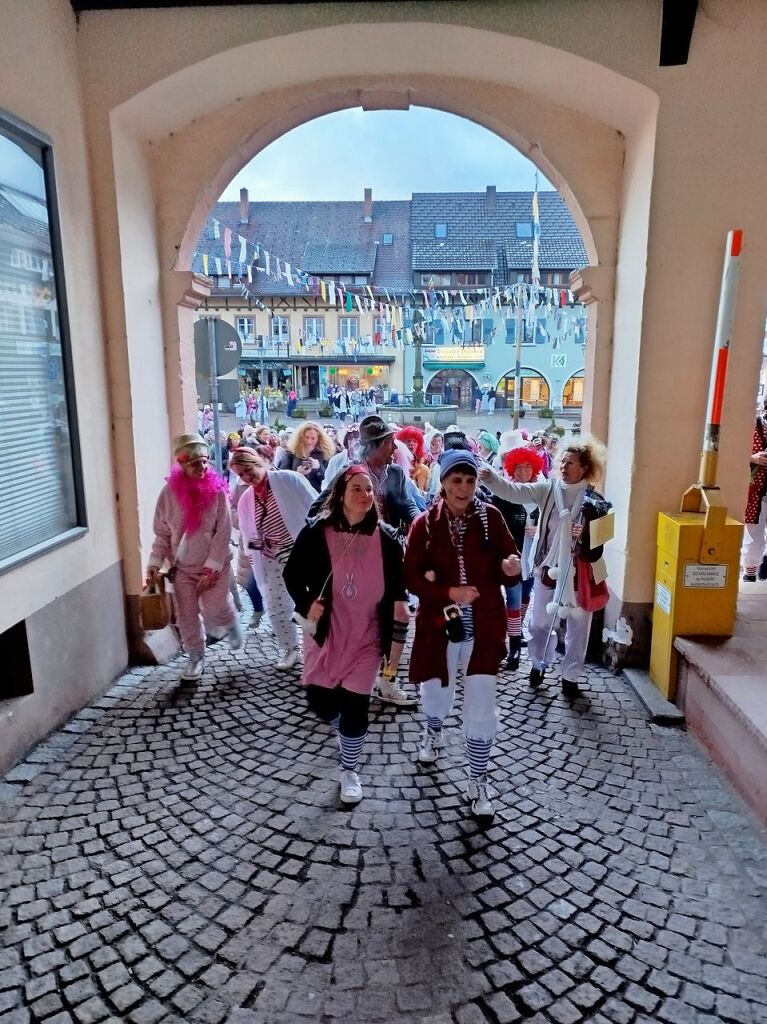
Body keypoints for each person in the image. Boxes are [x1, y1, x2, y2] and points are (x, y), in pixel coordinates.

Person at [405, 450, 521, 818]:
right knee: (437, 691)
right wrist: (447, 593)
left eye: (470, 481)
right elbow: (410, 577)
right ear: (442, 483)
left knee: (481, 705)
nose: (464, 488)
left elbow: (511, 563)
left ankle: (478, 777)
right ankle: (433, 729)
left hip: (484, 628)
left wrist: (510, 567)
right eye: (457, 480)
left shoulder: (492, 518)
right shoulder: (424, 525)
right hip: (439, 628)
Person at [284, 467, 408, 805]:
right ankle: (344, 730)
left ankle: (349, 769)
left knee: (356, 705)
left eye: (369, 490)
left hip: (366, 637)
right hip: (326, 634)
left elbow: (398, 591)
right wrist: (308, 602)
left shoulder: (386, 539)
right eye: (357, 489)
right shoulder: (316, 532)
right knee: (318, 700)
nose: (365, 496)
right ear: (340, 494)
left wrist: (394, 649)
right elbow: (291, 573)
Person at [479, 436, 610, 698]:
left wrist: (584, 534)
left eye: (570, 462)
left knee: (578, 628)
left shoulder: (596, 500)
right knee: (539, 624)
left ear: (585, 467)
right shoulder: (547, 489)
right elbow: (514, 492)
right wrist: (490, 477)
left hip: (580, 572)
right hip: (548, 568)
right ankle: (538, 663)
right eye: (562, 460)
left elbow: (601, 541)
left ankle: (570, 676)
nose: (563, 466)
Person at [316, 414, 419, 705]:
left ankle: (388, 679)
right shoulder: (350, 475)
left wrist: (418, 519)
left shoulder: (397, 473)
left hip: (391, 556)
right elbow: (322, 506)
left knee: (399, 615)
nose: (394, 449)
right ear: (380, 444)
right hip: (355, 561)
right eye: (390, 443)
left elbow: (406, 502)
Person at [146, 433, 242, 681]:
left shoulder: (217, 492)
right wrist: (155, 565)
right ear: (182, 463)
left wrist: (212, 568)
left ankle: (230, 622)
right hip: (182, 569)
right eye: (195, 462)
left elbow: (223, 531)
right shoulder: (168, 495)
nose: (202, 467)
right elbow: (162, 534)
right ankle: (195, 656)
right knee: (186, 616)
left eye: (205, 461)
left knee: (216, 608)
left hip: (215, 566)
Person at [230, 447, 316, 670]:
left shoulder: (289, 479)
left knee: (310, 604)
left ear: (258, 463)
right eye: (241, 475)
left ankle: (316, 651)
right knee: (277, 606)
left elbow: (316, 508)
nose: (247, 477)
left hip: (303, 554)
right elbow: (248, 539)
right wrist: (263, 545)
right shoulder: (246, 500)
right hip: (273, 559)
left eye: (248, 470)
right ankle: (290, 649)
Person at [494, 446, 545, 668]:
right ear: (511, 469)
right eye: (519, 467)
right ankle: (513, 647)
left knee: (525, 597)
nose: (523, 472)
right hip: (511, 558)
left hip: (532, 558)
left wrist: (540, 529)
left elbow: (551, 522)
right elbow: (496, 524)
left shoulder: (542, 494)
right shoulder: (504, 495)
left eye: (527, 467)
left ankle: (516, 630)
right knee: (513, 599)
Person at [743, 400, 767, 581]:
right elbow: (732, 452)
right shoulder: (752, 425)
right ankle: (749, 573)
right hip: (756, 491)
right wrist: (752, 457)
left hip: (758, 490)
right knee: (754, 536)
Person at [275, 421, 334, 492]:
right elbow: (282, 476)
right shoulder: (291, 452)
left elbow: (329, 480)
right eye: (307, 437)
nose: (309, 441)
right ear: (301, 437)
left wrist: (319, 468)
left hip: (316, 496)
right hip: (296, 494)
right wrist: (297, 474)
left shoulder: (325, 454)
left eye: (313, 438)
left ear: (318, 439)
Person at [395, 426, 430, 493]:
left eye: (415, 441)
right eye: (408, 441)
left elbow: (427, 492)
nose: (412, 443)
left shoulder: (424, 469)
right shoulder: (395, 467)